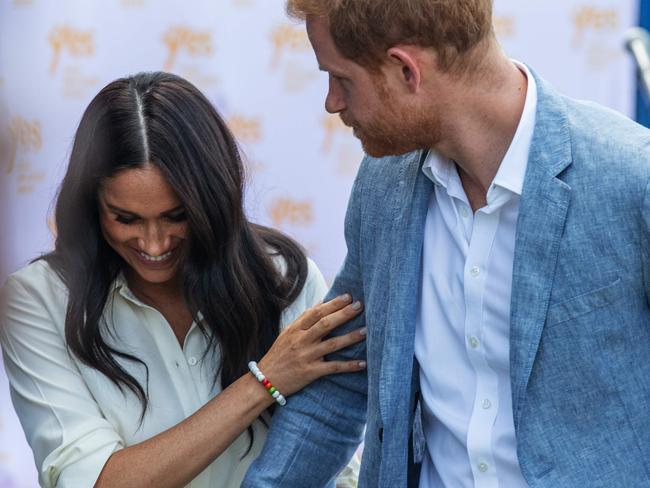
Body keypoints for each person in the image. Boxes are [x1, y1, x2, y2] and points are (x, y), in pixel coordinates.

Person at [243, 0, 650, 487]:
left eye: (341, 79)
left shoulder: (630, 179)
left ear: (404, 70)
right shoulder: (382, 184)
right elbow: (342, 382)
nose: (332, 102)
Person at [0, 71, 367, 488]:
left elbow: (333, 464)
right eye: (126, 219)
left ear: (213, 199)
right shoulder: (39, 300)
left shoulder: (282, 276)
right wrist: (263, 382)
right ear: (91, 204)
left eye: (176, 216)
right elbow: (95, 482)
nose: (154, 243)